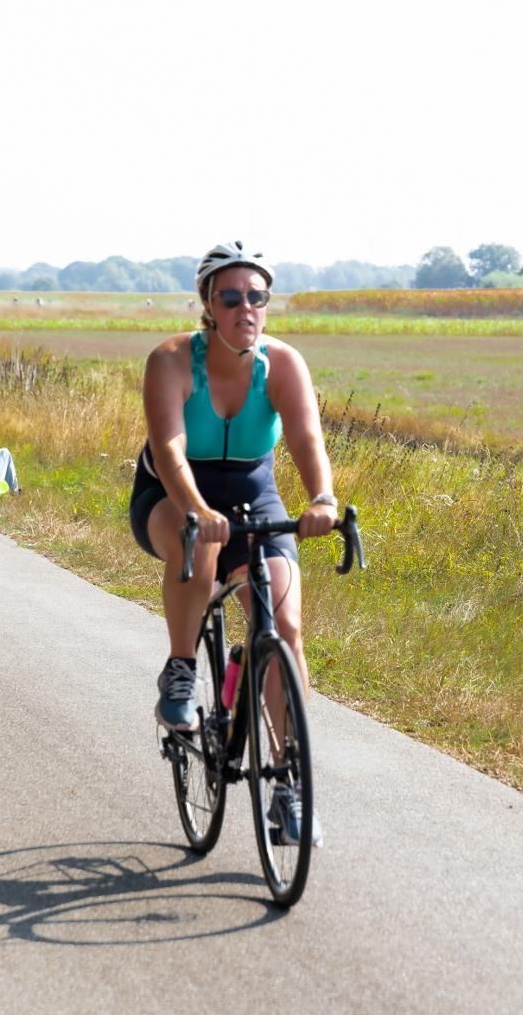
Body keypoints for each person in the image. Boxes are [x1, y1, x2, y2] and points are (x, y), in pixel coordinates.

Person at [129, 240, 337, 845]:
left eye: (257, 296)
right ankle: (180, 672)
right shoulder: (170, 361)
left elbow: (305, 439)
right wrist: (196, 509)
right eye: (232, 297)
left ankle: (289, 788)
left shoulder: (284, 364)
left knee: (284, 624)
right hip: (172, 493)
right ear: (208, 305)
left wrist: (321, 498)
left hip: (253, 492)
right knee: (204, 547)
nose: (246, 307)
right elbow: (168, 449)